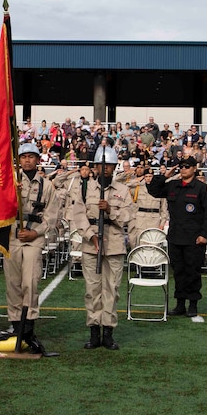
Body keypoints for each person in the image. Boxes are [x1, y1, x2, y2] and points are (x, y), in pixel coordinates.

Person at [66, 145, 135, 350]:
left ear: (114, 167)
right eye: (100, 165)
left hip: (113, 244)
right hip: (91, 244)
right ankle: (94, 331)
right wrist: (91, 236)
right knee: (92, 289)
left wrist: (110, 210)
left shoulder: (122, 190)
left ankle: (108, 332)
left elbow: (127, 216)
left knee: (111, 290)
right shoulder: (85, 188)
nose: (104, 168)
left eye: (109, 165)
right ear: (95, 166)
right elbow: (78, 215)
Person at [147, 155, 207, 317]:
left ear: (194, 169)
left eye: (187, 167)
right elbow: (153, 190)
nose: (183, 169)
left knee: (192, 271)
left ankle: (193, 304)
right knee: (178, 271)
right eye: (181, 166)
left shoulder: (201, 188)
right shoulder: (173, 185)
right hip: (176, 236)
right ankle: (179, 304)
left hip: (194, 238)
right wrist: (165, 175)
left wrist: (204, 234)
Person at [7, 142, 60, 352]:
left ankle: (28, 327)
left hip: (34, 237)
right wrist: (12, 193)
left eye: (31, 156)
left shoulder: (46, 186)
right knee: (13, 283)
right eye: (23, 156)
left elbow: (52, 216)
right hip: (12, 236)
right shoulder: (10, 182)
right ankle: (15, 325)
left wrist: (35, 232)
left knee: (30, 282)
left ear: (38, 160)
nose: (27, 160)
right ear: (18, 160)